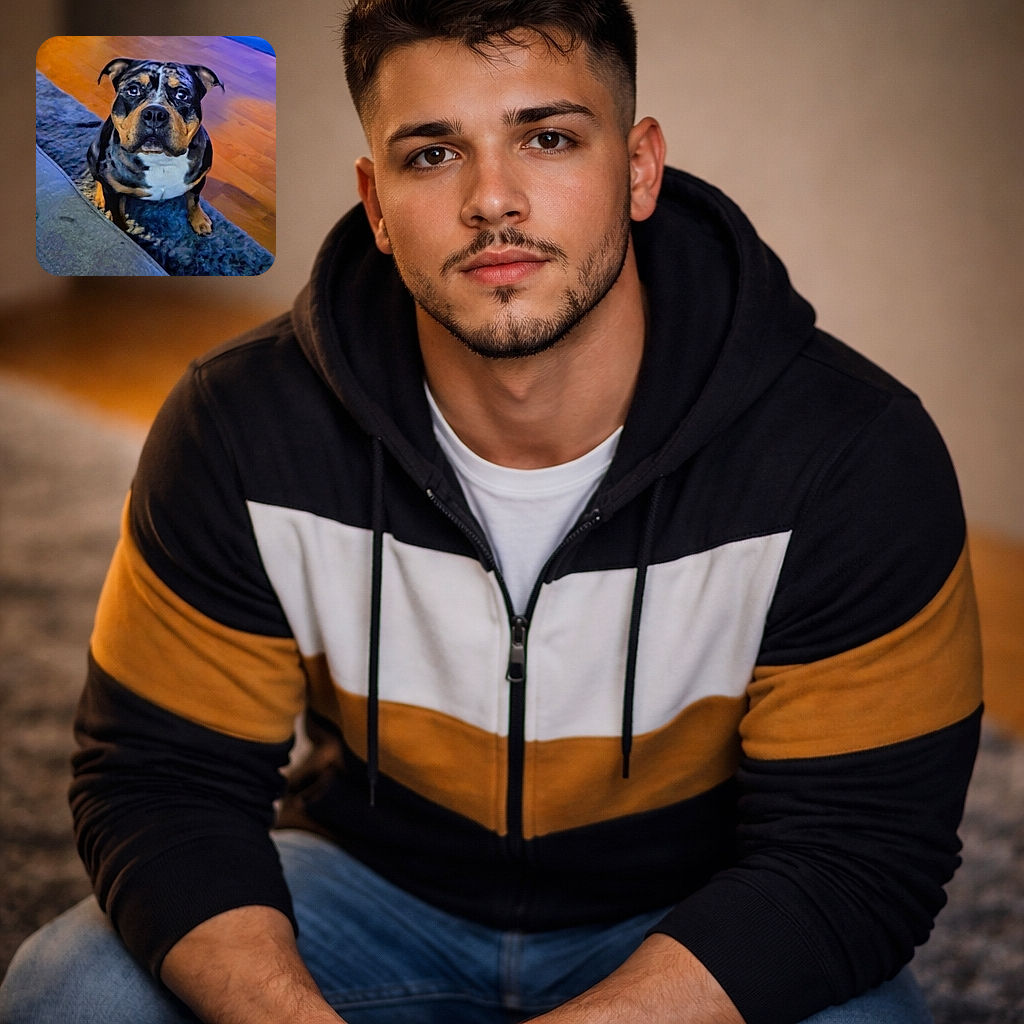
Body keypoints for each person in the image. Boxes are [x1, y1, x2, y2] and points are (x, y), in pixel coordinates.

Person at [0, 2, 983, 1022]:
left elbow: (854, 855)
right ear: (375, 204)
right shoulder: (239, 427)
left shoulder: (849, 453)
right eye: (431, 156)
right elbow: (161, 781)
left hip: (684, 913)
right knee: (73, 990)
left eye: (547, 138)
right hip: (373, 890)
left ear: (639, 168)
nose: (493, 200)